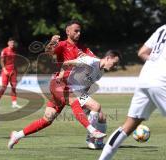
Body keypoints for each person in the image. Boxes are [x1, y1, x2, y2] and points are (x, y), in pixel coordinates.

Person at [7, 20, 112, 149]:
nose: (79, 33)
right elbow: (49, 51)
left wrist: (93, 60)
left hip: (72, 88)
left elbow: (96, 62)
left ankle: (17, 135)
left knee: (48, 119)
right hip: (60, 85)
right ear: (68, 31)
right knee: (84, 103)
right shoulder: (62, 45)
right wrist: (52, 42)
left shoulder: (84, 49)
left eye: (80, 31)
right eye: (76, 31)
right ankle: (92, 133)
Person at [98, 25, 166, 160]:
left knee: (127, 127)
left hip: (146, 77)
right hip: (162, 80)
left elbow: (142, 52)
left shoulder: (162, 28)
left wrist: (157, 63)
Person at [0, 38, 22, 109]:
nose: (12, 44)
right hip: (6, 70)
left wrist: (15, 70)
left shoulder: (14, 50)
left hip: (13, 71)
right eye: (11, 42)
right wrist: (4, 69)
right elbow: (1, 60)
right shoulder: (4, 50)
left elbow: (15, 61)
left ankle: (14, 104)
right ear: (8, 43)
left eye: (13, 43)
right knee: (4, 87)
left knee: (13, 87)